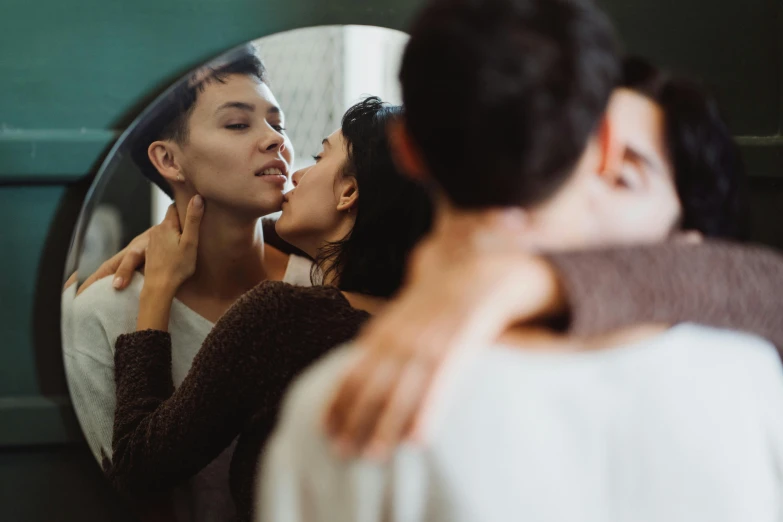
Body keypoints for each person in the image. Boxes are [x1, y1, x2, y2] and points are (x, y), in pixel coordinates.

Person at [260, 1, 783, 521]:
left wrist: (536, 280)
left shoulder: (338, 410)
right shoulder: (749, 383)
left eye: (628, 178)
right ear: (599, 145)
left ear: (407, 151)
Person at [104, 97, 433, 522]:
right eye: (238, 124)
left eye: (319, 157)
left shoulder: (285, 318)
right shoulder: (422, 323)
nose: (296, 170)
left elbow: (138, 465)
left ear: (349, 191)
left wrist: (156, 294)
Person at [64, 45, 311, 522]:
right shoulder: (101, 313)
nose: (274, 140)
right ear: (169, 160)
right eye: (239, 124)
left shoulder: (324, 286)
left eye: (277, 124)